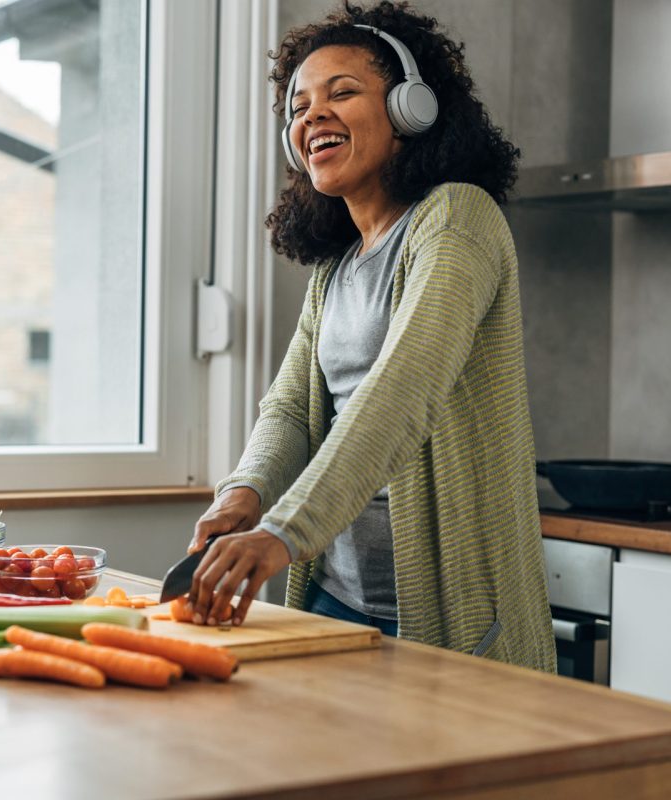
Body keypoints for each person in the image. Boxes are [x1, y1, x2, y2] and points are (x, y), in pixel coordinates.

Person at [185, 0, 556, 671]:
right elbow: (293, 407)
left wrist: (281, 531)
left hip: (447, 616)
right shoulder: (337, 266)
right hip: (333, 596)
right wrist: (244, 493)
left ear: (412, 109)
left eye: (342, 92)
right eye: (298, 107)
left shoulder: (457, 221)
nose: (311, 116)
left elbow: (401, 390)